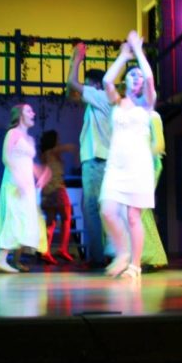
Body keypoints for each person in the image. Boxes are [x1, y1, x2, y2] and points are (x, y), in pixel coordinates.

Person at [100, 31, 156, 280]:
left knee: (134, 216)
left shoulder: (147, 104)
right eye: (132, 76)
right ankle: (122, 253)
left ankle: (135, 265)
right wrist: (124, 56)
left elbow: (151, 77)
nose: (136, 80)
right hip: (116, 166)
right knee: (107, 210)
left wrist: (139, 50)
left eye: (139, 77)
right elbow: (106, 81)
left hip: (138, 166)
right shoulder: (117, 101)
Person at [66, 42, 112, 267]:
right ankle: (105, 253)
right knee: (101, 208)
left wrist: (77, 59)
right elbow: (71, 93)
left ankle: (97, 257)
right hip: (103, 160)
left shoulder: (98, 96)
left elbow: (72, 84)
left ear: (94, 84)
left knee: (91, 208)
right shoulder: (102, 101)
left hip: (96, 161)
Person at [0, 103, 50, 273]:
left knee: (26, 218)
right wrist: (17, 177)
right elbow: (6, 157)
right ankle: (1, 258)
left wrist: (41, 173)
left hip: (27, 185)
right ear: (20, 115)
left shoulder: (30, 139)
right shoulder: (13, 133)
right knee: (14, 217)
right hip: (14, 183)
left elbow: (29, 162)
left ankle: (16, 260)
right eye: (29, 110)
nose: (33, 113)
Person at [39, 129, 76, 263]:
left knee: (51, 222)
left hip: (47, 191)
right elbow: (65, 148)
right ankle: (63, 249)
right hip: (57, 189)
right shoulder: (51, 152)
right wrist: (74, 148)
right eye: (57, 139)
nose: (59, 142)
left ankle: (46, 250)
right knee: (66, 218)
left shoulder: (44, 154)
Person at [140, 110, 169, 269]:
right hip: (140, 164)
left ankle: (151, 256)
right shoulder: (135, 114)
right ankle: (154, 256)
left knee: (139, 208)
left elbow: (159, 144)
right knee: (141, 210)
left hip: (150, 164)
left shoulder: (153, 115)